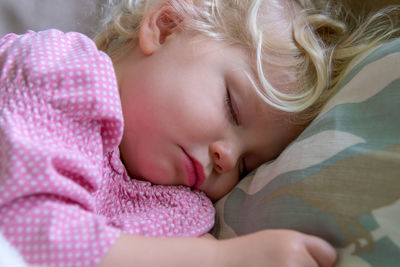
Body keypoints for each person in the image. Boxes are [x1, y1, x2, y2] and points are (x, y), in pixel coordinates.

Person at [0, 0, 398, 266]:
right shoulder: (62, 70)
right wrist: (228, 261)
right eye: (232, 106)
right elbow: (25, 232)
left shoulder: (183, 209)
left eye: (247, 163)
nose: (227, 157)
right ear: (167, 26)